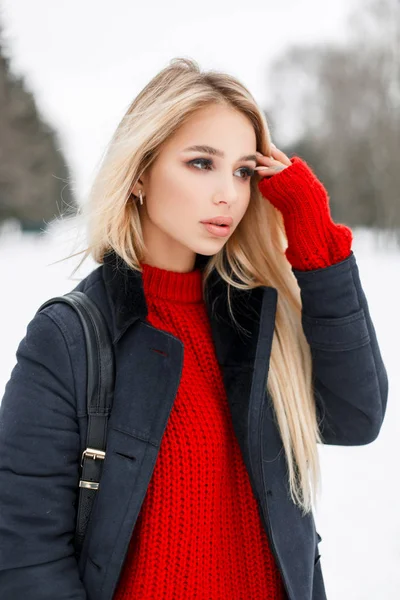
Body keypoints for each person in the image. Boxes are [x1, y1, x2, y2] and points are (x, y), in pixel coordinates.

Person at [0, 57, 388, 600]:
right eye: (202, 163)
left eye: (243, 171)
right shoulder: (69, 337)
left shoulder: (257, 322)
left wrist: (314, 237)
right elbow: (24, 552)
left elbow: (356, 416)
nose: (228, 193)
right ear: (139, 173)